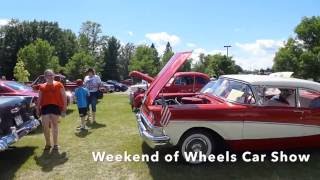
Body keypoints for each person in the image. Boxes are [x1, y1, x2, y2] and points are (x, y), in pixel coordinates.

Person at [37, 69, 67, 151]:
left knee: (55, 126)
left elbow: (64, 97)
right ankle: (48, 144)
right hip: (45, 108)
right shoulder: (42, 86)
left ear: (53, 75)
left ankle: (55, 144)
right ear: (45, 77)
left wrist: (64, 109)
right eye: (48, 75)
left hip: (55, 107)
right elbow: (39, 99)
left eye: (51, 75)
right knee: (45, 127)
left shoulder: (59, 84)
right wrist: (37, 109)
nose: (50, 77)